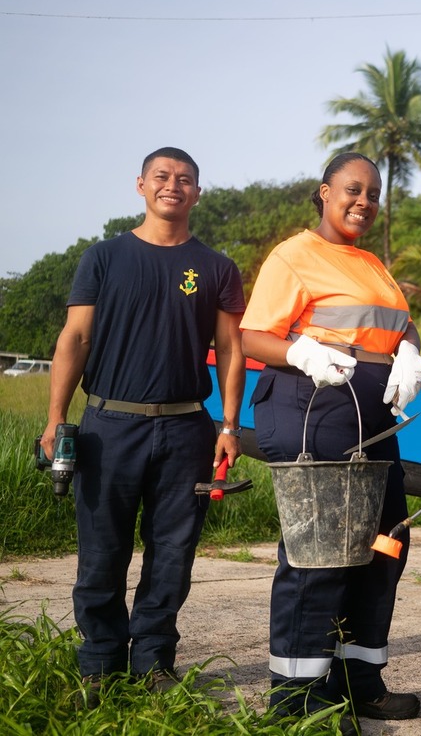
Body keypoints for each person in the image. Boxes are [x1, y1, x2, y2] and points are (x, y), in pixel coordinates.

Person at [41, 147, 246, 704]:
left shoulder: (216, 266)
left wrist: (229, 425)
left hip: (187, 429)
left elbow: (230, 349)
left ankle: (154, 661)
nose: (173, 186)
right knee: (101, 552)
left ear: (197, 193)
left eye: (185, 179)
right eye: (162, 176)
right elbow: (75, 339)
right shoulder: (104, 257)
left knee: (172, 554)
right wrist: (56, 418)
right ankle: (99, 664)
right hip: (109, 424)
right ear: (140, 185)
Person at [240, 153, 421, 732]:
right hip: (315, 416)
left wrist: (412, 351)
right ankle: (296, 700)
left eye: (373, 194)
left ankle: (357, 682)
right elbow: (252, 334)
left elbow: (399, 322)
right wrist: (299, 351)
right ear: (324, 193)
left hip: (374, 424)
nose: (363, 202)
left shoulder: (373, 263)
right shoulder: (294, 256)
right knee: (318, 554)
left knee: (384, 546)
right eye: (352, 190)